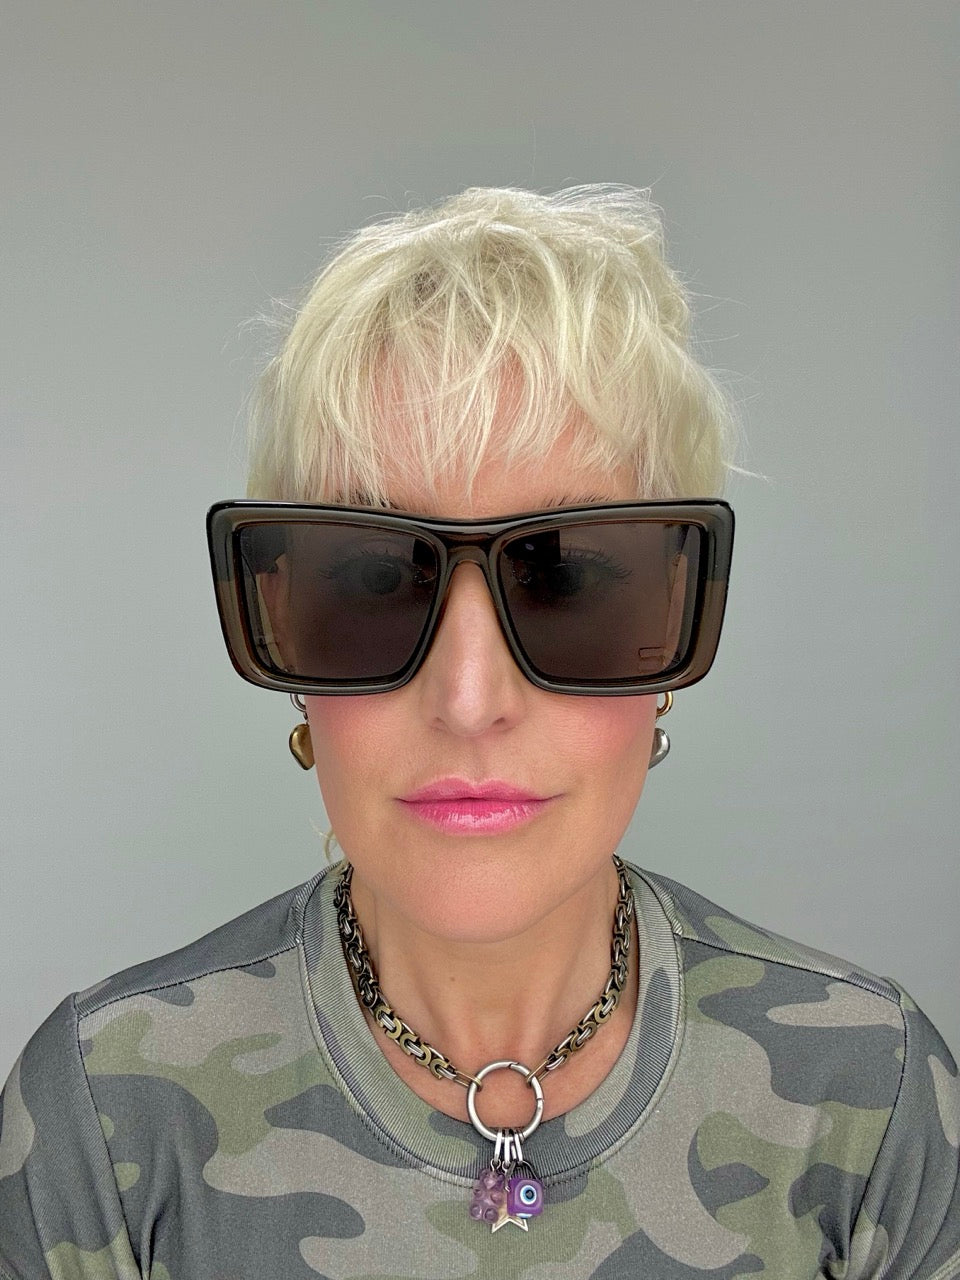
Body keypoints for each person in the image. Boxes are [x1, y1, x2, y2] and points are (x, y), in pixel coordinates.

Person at [1, 185, 957, 1280]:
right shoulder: (103, 1120)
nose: (468, 697)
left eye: (571, 580)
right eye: (371, 580)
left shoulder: (866, 1102)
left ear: (675, 633)